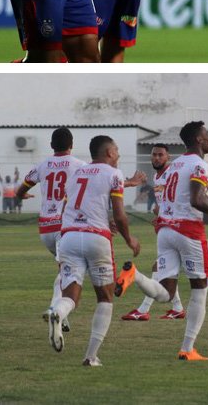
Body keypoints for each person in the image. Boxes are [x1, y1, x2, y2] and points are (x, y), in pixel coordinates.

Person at [113, 122, 208, 360]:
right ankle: (187, 348)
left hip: (166, 231)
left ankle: (134, 276)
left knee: (166, 294)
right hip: (188, 231)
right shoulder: (199, 164)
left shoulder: (173, 167)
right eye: (207, 134)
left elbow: (165, 201)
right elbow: (197, 200)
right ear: (198, 140)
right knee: (199, 290)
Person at [43, 135, 140, 367]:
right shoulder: (114, 174)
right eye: (116, 150)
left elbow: (70, 205)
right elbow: (119, 214)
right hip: (96, 239)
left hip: (69, 237)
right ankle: (90, 356)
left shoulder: (77, 172)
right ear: (108, 153)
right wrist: (129, 239)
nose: (118, 154)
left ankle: (58, 311)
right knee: (105, 298)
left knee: (70, 296)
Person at [17, 127, 87, 317]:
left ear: (51, 145)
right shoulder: (80, 165)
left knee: (65, 268)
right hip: (64, 225)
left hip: (45, 228)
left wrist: (22, 195)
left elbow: (21, 188)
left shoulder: (42, 165)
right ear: (72, 145)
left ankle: (61, 315)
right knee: (68, 270)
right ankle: (55, 309)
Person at [122, 143, 186, 321]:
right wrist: (159, 214)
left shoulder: (172, 174)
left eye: (161, 155)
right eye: (154, 155)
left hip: (176, 229)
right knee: (164, 269)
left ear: (168, 157)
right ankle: (178, 308)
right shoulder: (158, 177)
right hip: (166, 227)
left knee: (160, 268)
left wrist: (166, 216)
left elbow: (178, 201)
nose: (157, 158)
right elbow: (163, 204)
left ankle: (143, 310)